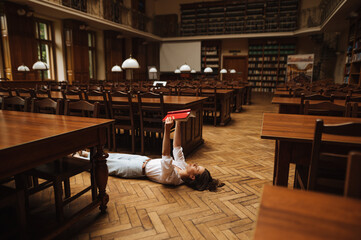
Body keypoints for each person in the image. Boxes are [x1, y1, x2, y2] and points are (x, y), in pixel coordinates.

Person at [79, 117, 224, 191]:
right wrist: (179, 123)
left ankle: (75, 159)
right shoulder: (183, 166)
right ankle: (82, 154)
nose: (195, 164)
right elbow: (177, 146)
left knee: (100, 164)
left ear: (192, 176)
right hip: (142, 159)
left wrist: (167, 130)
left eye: (197, 168)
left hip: (134, 169)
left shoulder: (174, 179)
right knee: (107, 155)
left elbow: (165, 154)